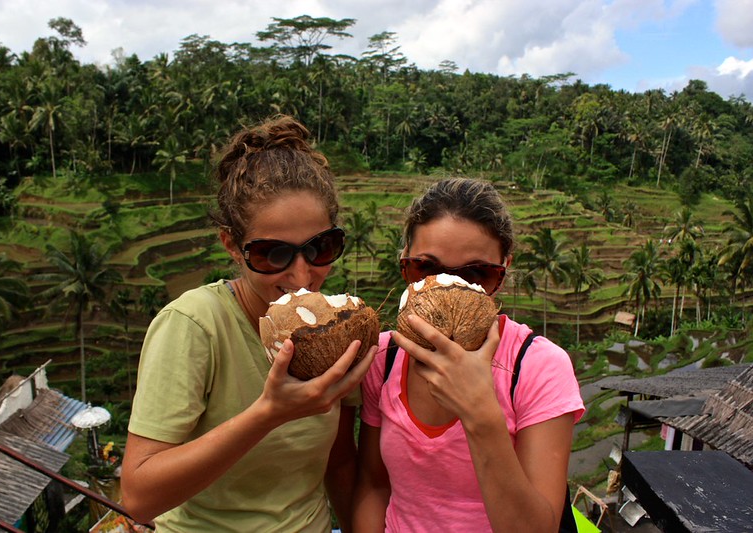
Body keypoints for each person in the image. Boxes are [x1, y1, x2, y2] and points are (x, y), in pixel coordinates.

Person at [121, 115, 376, 532]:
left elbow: (339, 461)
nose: (301, 275)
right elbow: (138, 497)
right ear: (231, 245)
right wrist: (268, 414)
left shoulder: (337, 326)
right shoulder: (195, 325)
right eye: (272, 254)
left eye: (320, 248)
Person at [353, 177, 585, 532]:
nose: (447, 289)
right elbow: (373, 484)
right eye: (427, 268)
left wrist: (480, 412)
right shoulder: (383, 356)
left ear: (502, 274)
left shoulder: (537, 367)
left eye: (475, 273)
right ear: (404, 266)